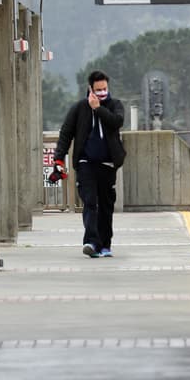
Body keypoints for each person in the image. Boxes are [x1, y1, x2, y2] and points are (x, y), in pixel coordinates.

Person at [53, 71, 126, 258]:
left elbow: (116, 122)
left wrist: (99, 108)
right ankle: (91, 242)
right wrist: (58, 158)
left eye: (104, 89)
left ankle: (105, 244)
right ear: (90, 89)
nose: (102, 93)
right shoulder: (79, 108)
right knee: (90, 202)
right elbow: (66, 133)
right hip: (86, 163)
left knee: (106, 205)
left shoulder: (115, 105)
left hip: (108, 164)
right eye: (98, 90)